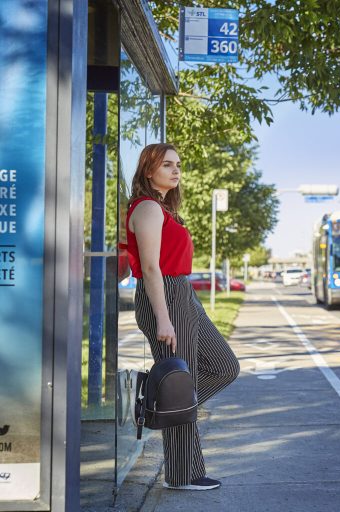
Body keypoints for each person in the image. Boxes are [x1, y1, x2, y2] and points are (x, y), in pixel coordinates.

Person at [124, 143, 240, 491]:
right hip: (165, 296)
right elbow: (149, 268)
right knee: (180, 382)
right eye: (166, 165)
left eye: (178, 165)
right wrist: (162, 316)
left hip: (182, 292)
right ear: (148, 170)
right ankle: (182, 474)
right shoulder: (145, 209)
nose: (176, 171)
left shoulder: (163, 208)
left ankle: (161, 406)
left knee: (223, 367)